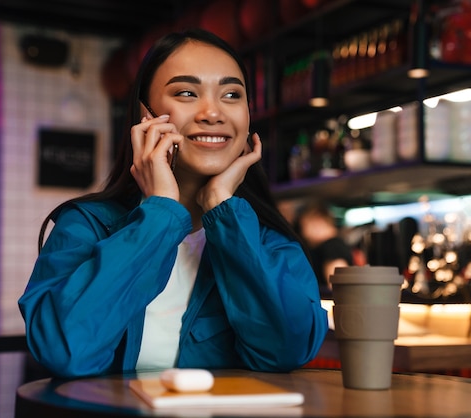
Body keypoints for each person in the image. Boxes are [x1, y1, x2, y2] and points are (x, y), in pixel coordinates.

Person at [18, 28, 328, 378]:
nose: (213, 113)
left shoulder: (269, 241)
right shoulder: (87, 226)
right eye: (186, 92)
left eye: (231, 94)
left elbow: (287, 351)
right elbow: (64, 351)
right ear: (145, 114)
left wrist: (223, 209)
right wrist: (160, 212)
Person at [293, 200, 356, 295]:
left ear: (317, 221)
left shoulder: (333, 246)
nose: (304, 234)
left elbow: (337, 284)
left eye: (305, 226)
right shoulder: (332, 245)